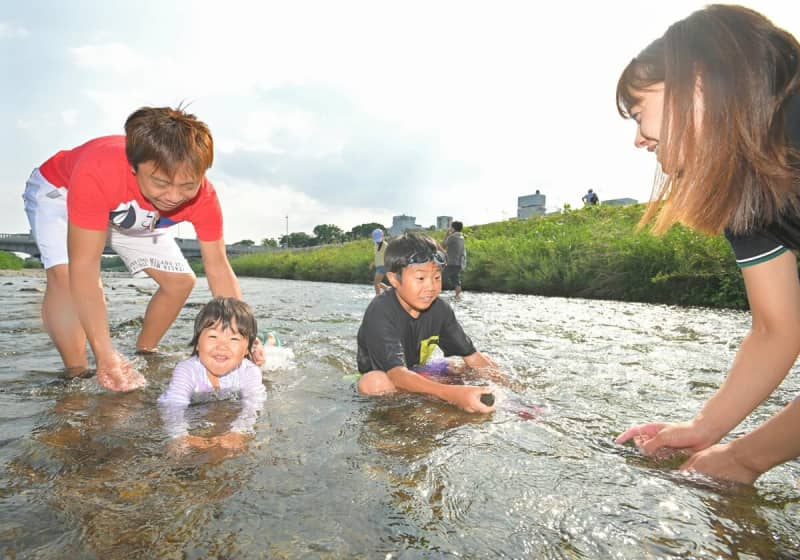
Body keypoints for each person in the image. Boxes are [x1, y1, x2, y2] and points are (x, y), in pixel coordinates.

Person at [613, 4, 800, 484]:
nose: (638, 140)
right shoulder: (745, 193)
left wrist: (744, 458)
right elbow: (775, 329)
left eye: (638, 114)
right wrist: (704, 429)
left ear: (696, 82)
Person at [22, 106, 248, 392]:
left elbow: (217, 266)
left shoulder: (202, 196)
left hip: (133, 210)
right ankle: (77, 373)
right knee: (65, 278)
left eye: (187, 185)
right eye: (161, 182)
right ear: (134, 166)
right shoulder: (98, 170)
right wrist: (104, 353)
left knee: (180, 281)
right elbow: (85, 269)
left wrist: (244, 338)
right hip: (61, 192)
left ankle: (144, 354)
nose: (174, 197)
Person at [355, 231, 497, 414]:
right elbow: (397, 375)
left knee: (479, 366)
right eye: (420, 278)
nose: (431, 287)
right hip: (390, 377)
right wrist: (453, 395)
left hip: (418, 371)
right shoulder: (380, 311)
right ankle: (399, 430)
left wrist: (513, 389)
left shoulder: (441, 310)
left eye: (436, 278)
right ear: (393, 279)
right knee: (374, 382)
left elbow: (473, 357)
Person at [158, 297, 267, 451]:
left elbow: (254, 404)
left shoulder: (249, 371)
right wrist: (179, 435)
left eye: (234, 338)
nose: (222, 346)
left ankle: (267, 340)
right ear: (197, 344)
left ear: (245, 350)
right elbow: (172, 404)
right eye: (213, 336)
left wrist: (240, 431)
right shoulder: (186, 370)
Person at [442, 221, 467, 298]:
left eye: (451, 227)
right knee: (456, 280)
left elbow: (443, 246)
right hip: (459, 263)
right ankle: (457, 297)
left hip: (451, 263)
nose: (450, 228)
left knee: (439, 278)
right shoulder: (461, 237)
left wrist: (446, 235)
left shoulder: (452, 237)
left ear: (453, 228)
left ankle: (434, 297)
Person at [371, 228, 387, 295]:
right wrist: (373, 263)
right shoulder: (375, 245)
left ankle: (378, 296)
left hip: (383, 266)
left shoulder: (385, 245)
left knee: (376, 283)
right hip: (378, 266)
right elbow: (377, 255)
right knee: (377, 282)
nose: (377, 241)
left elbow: (388, 256)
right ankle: (389, 290)